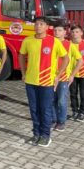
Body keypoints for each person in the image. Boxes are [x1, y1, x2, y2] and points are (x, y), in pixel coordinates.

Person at [18, 16, 69, 147]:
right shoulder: (28, 40)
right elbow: (21, 55)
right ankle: (36, 134)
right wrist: (23, 73)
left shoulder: (54, 41)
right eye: (36, 24)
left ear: (47, 27)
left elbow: (66, 58)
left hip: (47, 82)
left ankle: (46, 136)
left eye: (41, 24)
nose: (38, 26)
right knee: (34, 109)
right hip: (30, 81)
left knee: (45, 109)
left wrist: (58, 75)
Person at [53, 24, 83, 131]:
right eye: (55, 30)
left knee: (61, 101)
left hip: (63, 78)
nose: (56, 32)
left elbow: (81, 61)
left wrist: (72, 75)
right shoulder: (49, 42)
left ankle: (61, 122)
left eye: (59, 30)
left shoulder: (69, 45)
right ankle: (53, 120)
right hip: (49, 78)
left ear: (65, 33)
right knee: (52, 100)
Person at [69, 25, 84, 122]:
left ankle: (82, 113)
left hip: (83, 74)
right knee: (73, 94)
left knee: (83, 94)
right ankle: (75, 111)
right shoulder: (68, 45)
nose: (75, 34)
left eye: (77, 32)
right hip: (71, 75)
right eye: (73, 32)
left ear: (81, 33)